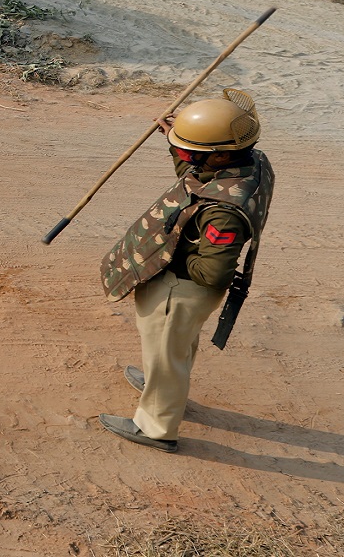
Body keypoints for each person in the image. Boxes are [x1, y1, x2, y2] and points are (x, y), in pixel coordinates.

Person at [98, 90, 274, 452]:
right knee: (173, 344)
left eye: (192, 152)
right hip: (188, 291)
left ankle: (155, 428)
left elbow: (214, 272)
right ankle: (160, 381)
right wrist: (177, 142)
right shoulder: (252, 162)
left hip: (183, 287)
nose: (185, 158)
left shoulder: (223, 211)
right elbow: (198, 182)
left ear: (222, 153)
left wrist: (170, 256)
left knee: (168, 343)